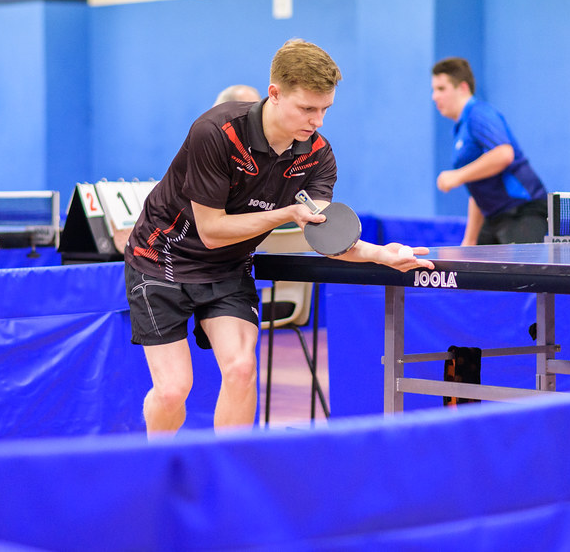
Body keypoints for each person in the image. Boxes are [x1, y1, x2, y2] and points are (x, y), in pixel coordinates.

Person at [125, 39, 433, 437]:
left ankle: (229, 468)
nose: (318, 121)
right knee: (172, 391)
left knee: (241, 369)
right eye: (307, 108)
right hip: (161, 258)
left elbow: (324, 233)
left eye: (325, 109)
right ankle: (156, 462)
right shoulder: (216, 133)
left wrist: (380, 254)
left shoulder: (317, 155)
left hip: (227, 268)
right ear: (274, 93)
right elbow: (212, 231)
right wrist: (287, 212)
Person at [431, 57, 547, 246]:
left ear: (463, 88)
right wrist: (469, 239)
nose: (434, 96)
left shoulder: (479, 113)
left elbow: (504, 154)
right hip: (494, 216)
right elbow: (478, 188)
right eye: (434, 90)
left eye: (441, 89)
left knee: (518, 266)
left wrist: (457, 176)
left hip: (522, 210)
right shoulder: (461, 128)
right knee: (475, 262)